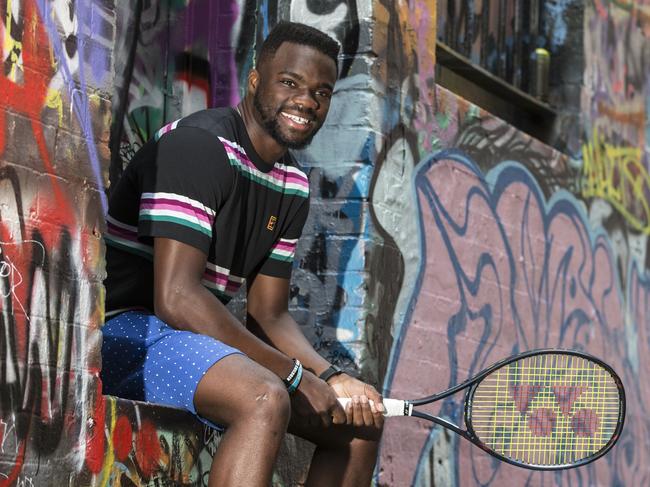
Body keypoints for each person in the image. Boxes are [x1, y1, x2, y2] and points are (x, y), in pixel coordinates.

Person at [101, 21, 384, 486]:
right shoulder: (200, 147)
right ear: (255, 79)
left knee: (354, 427)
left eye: (322, 92)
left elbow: (268, 317)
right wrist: (294, 376)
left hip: (190, 343)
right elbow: (176, 297)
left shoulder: (291, 184)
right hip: (121, 334)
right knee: (263, 396)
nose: (307, 102)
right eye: (290, 83)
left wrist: (332, 377)